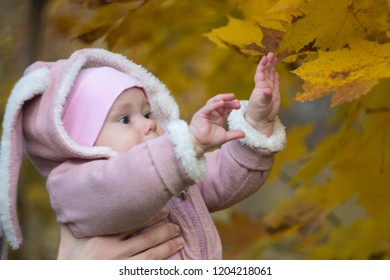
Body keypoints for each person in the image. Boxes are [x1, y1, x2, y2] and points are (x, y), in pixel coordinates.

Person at [0, 49, 285, 259]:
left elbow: (223, 176)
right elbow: (122, 187)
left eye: (147, 113)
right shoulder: (77, 187)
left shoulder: (168, 178)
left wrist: (257, 125)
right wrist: (190, 143)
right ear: (81, 143)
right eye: (125, 119)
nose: (149, 123)